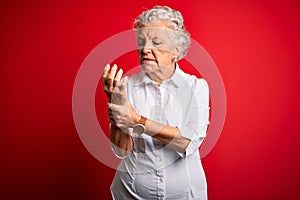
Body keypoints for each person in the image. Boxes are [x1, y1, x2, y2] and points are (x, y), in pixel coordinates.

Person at [102, 6, 210, 200]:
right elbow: (120, 151)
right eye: (141, 41)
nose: (145, 49)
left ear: (176, 50)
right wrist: (116, 107)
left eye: (157, 42)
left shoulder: (196, 87)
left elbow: (187, 142)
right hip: (130, 194)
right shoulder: (126, 86)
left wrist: (136, 119)